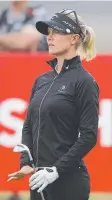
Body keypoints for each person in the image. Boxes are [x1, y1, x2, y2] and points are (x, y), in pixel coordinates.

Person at [8, 9, 99, 200]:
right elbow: (29, 125)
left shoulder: (84, 81)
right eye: (49, 33)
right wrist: (26, 162)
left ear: (74, 38)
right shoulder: (41, 80)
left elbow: (89, 136)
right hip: (39, 180)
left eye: (57, 32)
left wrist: (55, 170)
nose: (50, 37)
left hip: (69, 182)